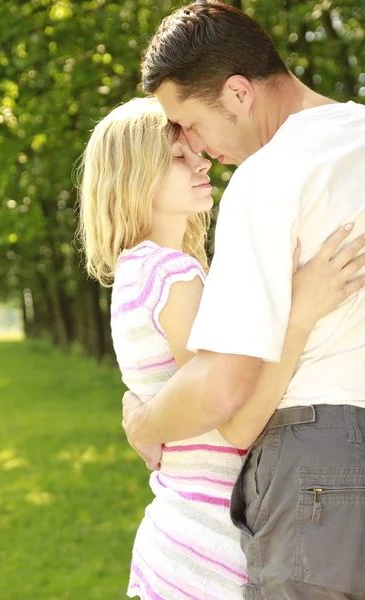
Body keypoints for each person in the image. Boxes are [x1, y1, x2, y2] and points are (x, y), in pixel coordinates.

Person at [121, 2, 365, 599]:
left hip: (316, 471)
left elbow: (227, 393)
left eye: (190, 123)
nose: (196, 147)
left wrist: (146, 423)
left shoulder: (269, 177)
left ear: (236, 92)